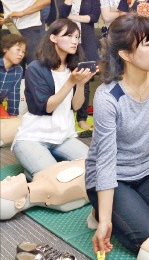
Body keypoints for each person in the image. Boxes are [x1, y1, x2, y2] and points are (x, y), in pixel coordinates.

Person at [86, 14, 149, 255]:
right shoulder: (107, 97)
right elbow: (106, 160)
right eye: (148, 44)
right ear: (125, 54)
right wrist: (104, 221)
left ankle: (128, 205)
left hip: (145, 170)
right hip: (113, 177)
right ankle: (99, 208)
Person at [12, 19, 96, 180]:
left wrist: (80, 84)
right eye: (69, 35)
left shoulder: (73, 69)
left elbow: (76, 106)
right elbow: (47, 107)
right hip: (32, 138)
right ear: (53, 38)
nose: (74, 41)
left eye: (77, 37)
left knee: (95, 169)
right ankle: (34, 174)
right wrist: (70, 82)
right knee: (56, 179)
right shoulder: (36, 68)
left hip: (63, 138)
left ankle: (35, 172)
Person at [56, 0, 102, 132]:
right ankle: (64, 114)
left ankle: (82, 118)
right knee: (65, 76)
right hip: (66, 39)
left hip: (87, 39)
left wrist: (71, 18)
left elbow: (93, 17)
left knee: (85, 77)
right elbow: (62, 12)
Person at [0, 34, 26, 117]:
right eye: (18, 50)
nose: (21, 54)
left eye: (23, 51)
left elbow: (14, 95)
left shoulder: (18, 70)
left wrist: (13, 115)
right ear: (5, 49)